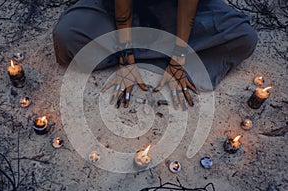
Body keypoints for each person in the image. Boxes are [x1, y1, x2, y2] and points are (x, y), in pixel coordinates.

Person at [53, 0, 257, 109]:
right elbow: (123, 13)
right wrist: (126, 57)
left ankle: (157, 53)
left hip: (175, 12)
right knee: (67, 36)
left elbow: (187, 9)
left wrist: (178, 59)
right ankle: (151, 53)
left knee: (243, 37)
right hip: (116, 11)